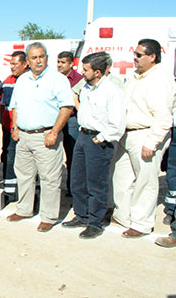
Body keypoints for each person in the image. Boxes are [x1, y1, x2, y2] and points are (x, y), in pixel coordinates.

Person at [7, 42, 74, 232]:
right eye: (34, 57)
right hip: (24, 136)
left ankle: (49, 216)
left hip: (46, 135)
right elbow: (16, 106)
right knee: (24, 175)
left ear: (47, 57)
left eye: (42, 56)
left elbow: (66, 107)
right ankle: (24, 209)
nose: (38, 60)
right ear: (27, 60)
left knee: (49, 178)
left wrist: (54, 132)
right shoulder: (22, 80)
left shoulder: (57, 79)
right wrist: (15, 127)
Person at [112, 39, 176, 238]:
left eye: (139, 55)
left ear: (152, 57)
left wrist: (152, 141)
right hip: (127, 134)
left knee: (145, 181)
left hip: (146, 134)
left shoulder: (160, 79)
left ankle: (141, 223)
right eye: (135, 53)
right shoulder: (136, 77)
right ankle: (123, 215)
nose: (135, 58)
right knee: (121, 178)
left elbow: (164, 116)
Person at [61, 52, 126, 239]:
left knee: (96, 184)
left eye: (86, 69)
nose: (82, 72)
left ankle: (95, 222)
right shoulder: (87, 88)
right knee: (77, 179)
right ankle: (81, 215)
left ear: (97, 72)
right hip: (83, 136)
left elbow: (117, 124)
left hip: (99, 140)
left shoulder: (112, 91)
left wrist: (101, 137)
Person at [0, 51, 28, 203]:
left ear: (25, 64)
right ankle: (9, 193)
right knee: (9, 159)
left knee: (26, 163)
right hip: (8, 129)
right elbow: (3, 106)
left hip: (25, 129)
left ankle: (30, 194)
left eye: (15, 64)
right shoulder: (7, 81)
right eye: (11, 64)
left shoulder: (30, 81)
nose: (12, 67)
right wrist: (5, 127)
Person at [57, 51, 84, 196]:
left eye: (63, 62)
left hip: (72, 120)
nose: (59, 65)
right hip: (56, 119)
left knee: (72, 155)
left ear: (71, 64)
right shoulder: (54, 78)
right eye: (58, 62)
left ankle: (73, 188)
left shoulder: (79, 80)